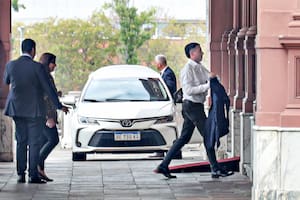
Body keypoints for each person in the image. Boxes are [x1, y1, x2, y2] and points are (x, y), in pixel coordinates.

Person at [154, 42, 233, 179]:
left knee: (184, 138)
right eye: (199, 51)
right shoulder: (187, 69)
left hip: (195, 106)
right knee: (208, 135)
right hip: (191, 106)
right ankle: (215, 168)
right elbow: (188, 90)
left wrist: (213, 79)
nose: (202, 53)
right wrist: (207, 86)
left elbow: (211, 78)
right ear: (192, 54)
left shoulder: (200, 67)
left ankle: (164, 165)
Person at [3, 38, 68, 184]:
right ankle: (33, 175)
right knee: (34, 143)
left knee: (21, 141)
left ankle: (20, 174)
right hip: (34, 110)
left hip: (16, 109)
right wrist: (58, 105)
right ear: (33, 50)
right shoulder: (37, 68)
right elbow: (48, 88)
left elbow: (6, 81)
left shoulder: (11, 65)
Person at [38, 52, 61, 182]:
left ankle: (40, 170)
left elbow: (50, 95)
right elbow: (43, 98)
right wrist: (48, 117)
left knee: (42, 142)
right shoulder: (44, 77)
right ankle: (37, 164)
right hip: (45, 116)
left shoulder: (48, 76)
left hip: (47, 115)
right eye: (53, 62)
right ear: (48, 63)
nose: (55, 65)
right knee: (53, 139)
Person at [152, 54, 177, 158]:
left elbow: (169, 88)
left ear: (159, 64)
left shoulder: (168, 74)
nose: (155, 65)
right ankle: (160, 151)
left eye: (156, 63)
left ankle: (167, 151)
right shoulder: (163, 73)